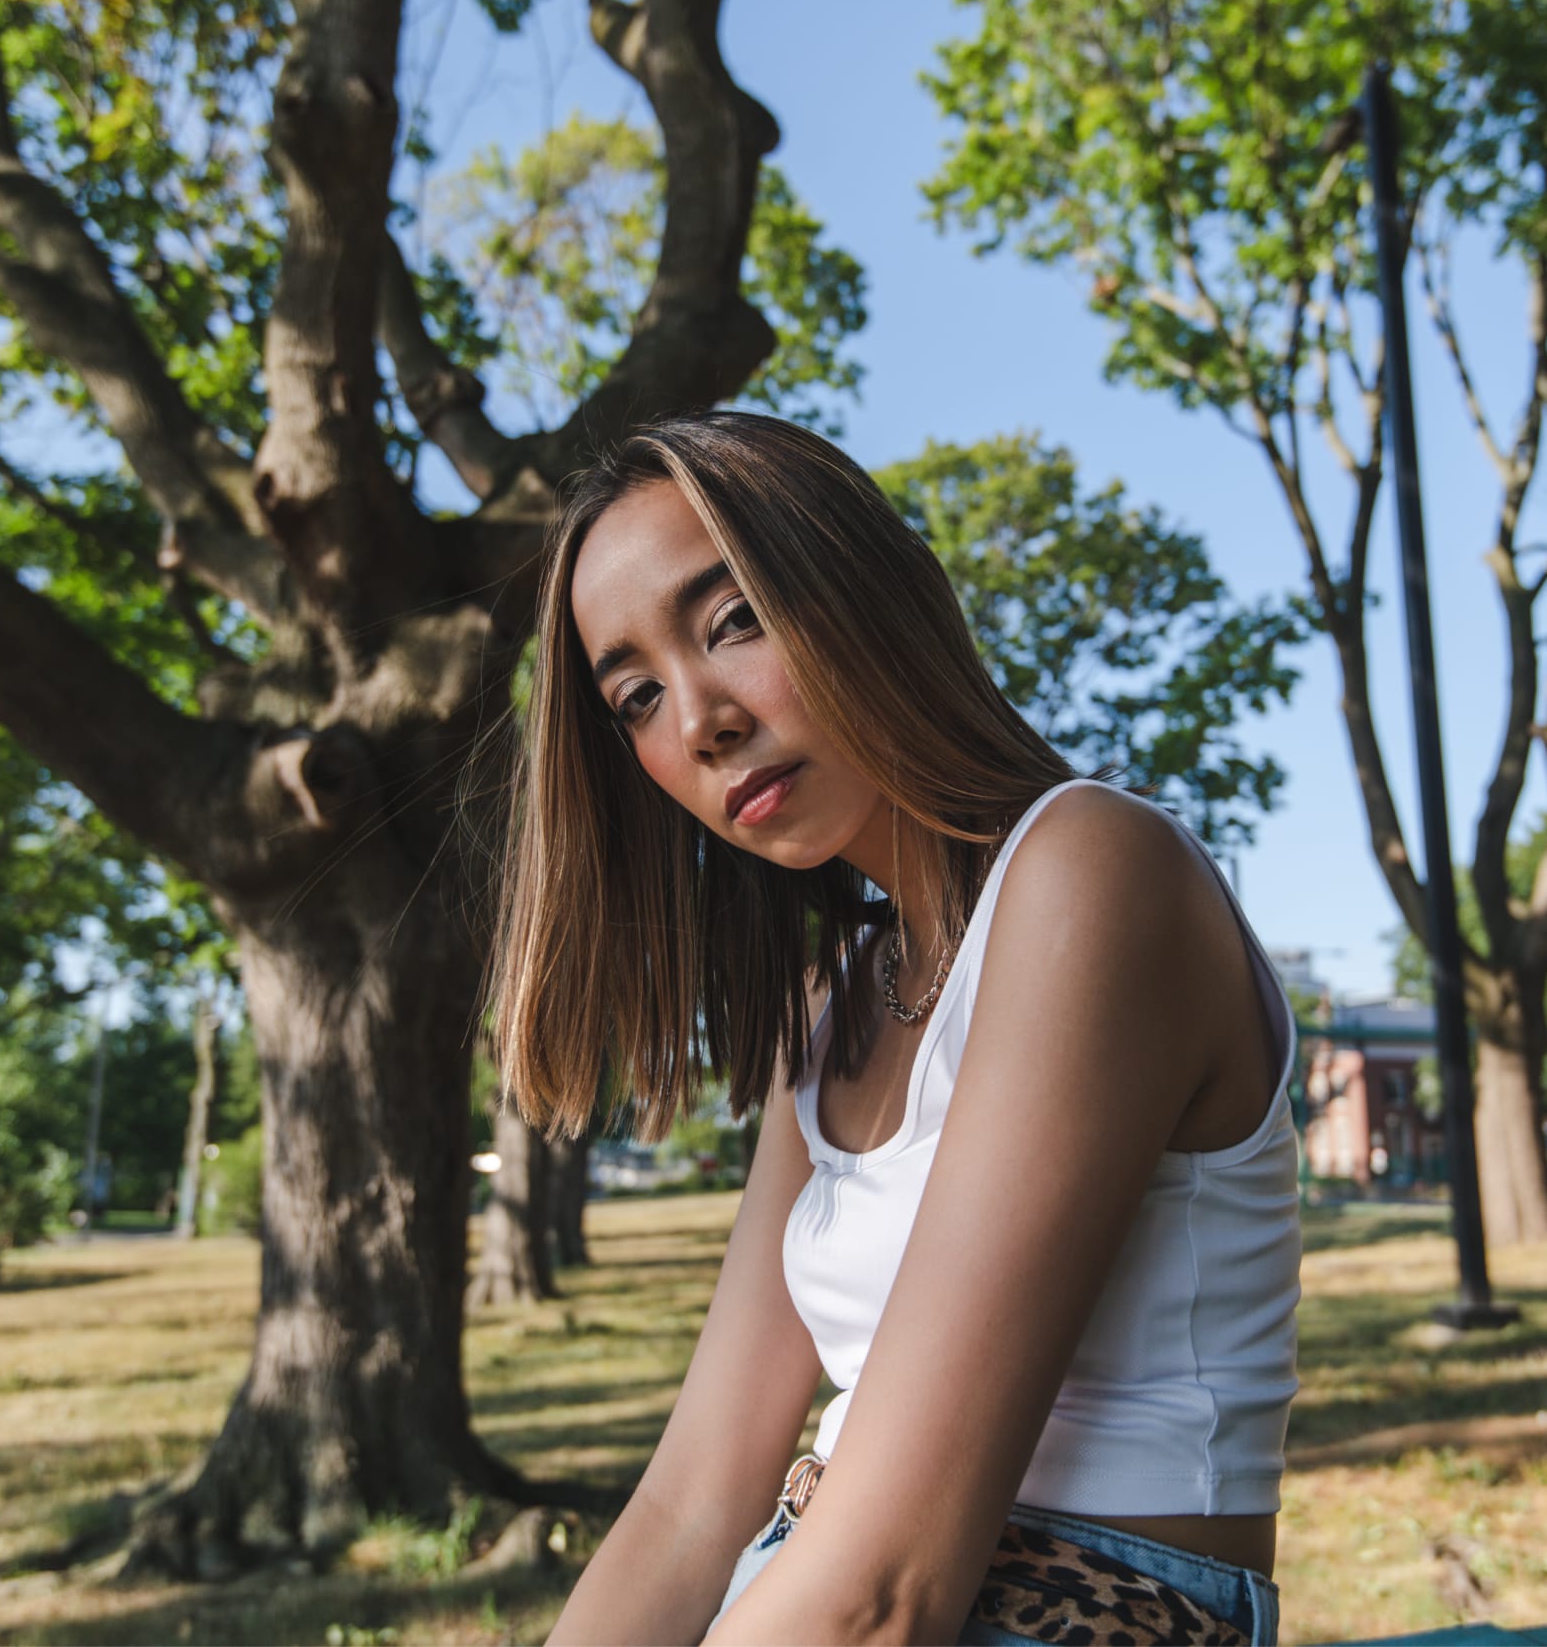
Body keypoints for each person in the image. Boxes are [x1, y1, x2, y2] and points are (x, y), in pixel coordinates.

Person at [489, 411, 1302, 1645]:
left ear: (865, 587)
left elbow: (882, 1595)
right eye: (638, 696)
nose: (700, 719)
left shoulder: (1092, 869)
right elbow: (693, 1500)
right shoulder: (838, 1009)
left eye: (734, 620)